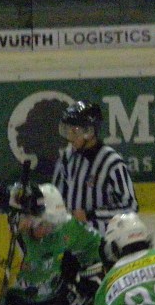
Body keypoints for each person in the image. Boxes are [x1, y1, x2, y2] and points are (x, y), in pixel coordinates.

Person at [52, 100, 139, 235]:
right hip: (71, 238)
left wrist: (91, 214)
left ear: (89, 132)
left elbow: (130, 206)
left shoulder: (112, 163)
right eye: (68, 131)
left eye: (75, 131)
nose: (70, 137)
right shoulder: (67, 158)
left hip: (104, 240)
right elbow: (56, 195)